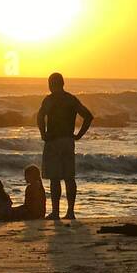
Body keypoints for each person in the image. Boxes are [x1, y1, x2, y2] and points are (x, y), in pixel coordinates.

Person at [36, 72, 94, 222]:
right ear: (63, 83)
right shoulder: (71, 99)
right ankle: (70, 212)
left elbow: (40, 116)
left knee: (55, 178)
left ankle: (55, 212)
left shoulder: (49, 100)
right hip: (68, 141)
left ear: (50, 84)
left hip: (53, 141)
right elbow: (88, 116)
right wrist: (79, 135)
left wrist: (43, 133)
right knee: (69, 177)